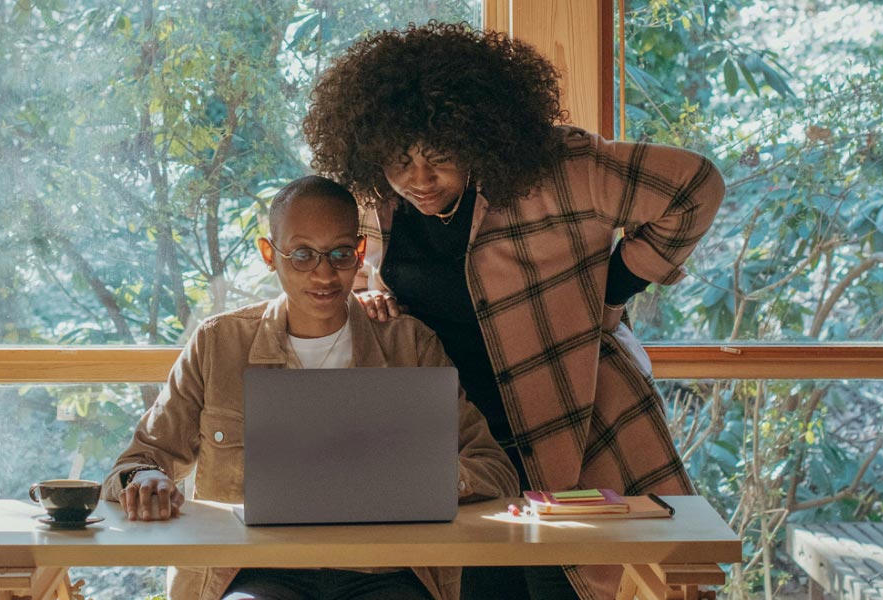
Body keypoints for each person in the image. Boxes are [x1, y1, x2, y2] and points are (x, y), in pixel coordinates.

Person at [301, 23, 727, 600]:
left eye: (441, 160)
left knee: (576, 585)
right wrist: (369, 294)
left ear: (478, 138)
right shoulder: (381, 203)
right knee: (472, 586)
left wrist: (615, 287)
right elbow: (378, 270)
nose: (419, 182)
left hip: (573, 422)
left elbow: (694, 186)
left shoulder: (558, 169)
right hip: (463, 446)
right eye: (399, 162)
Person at [103, 175, 521, 600]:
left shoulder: (408, 344)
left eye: (340, 254)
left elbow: (494, 470)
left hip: (385, 571)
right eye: (302, 254)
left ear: (360, 253)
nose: (324, 273)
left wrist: (420, 482)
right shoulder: (218, 345)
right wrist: (146, 477)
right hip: (256, 572)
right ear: (270, 254)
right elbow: (137, 462)